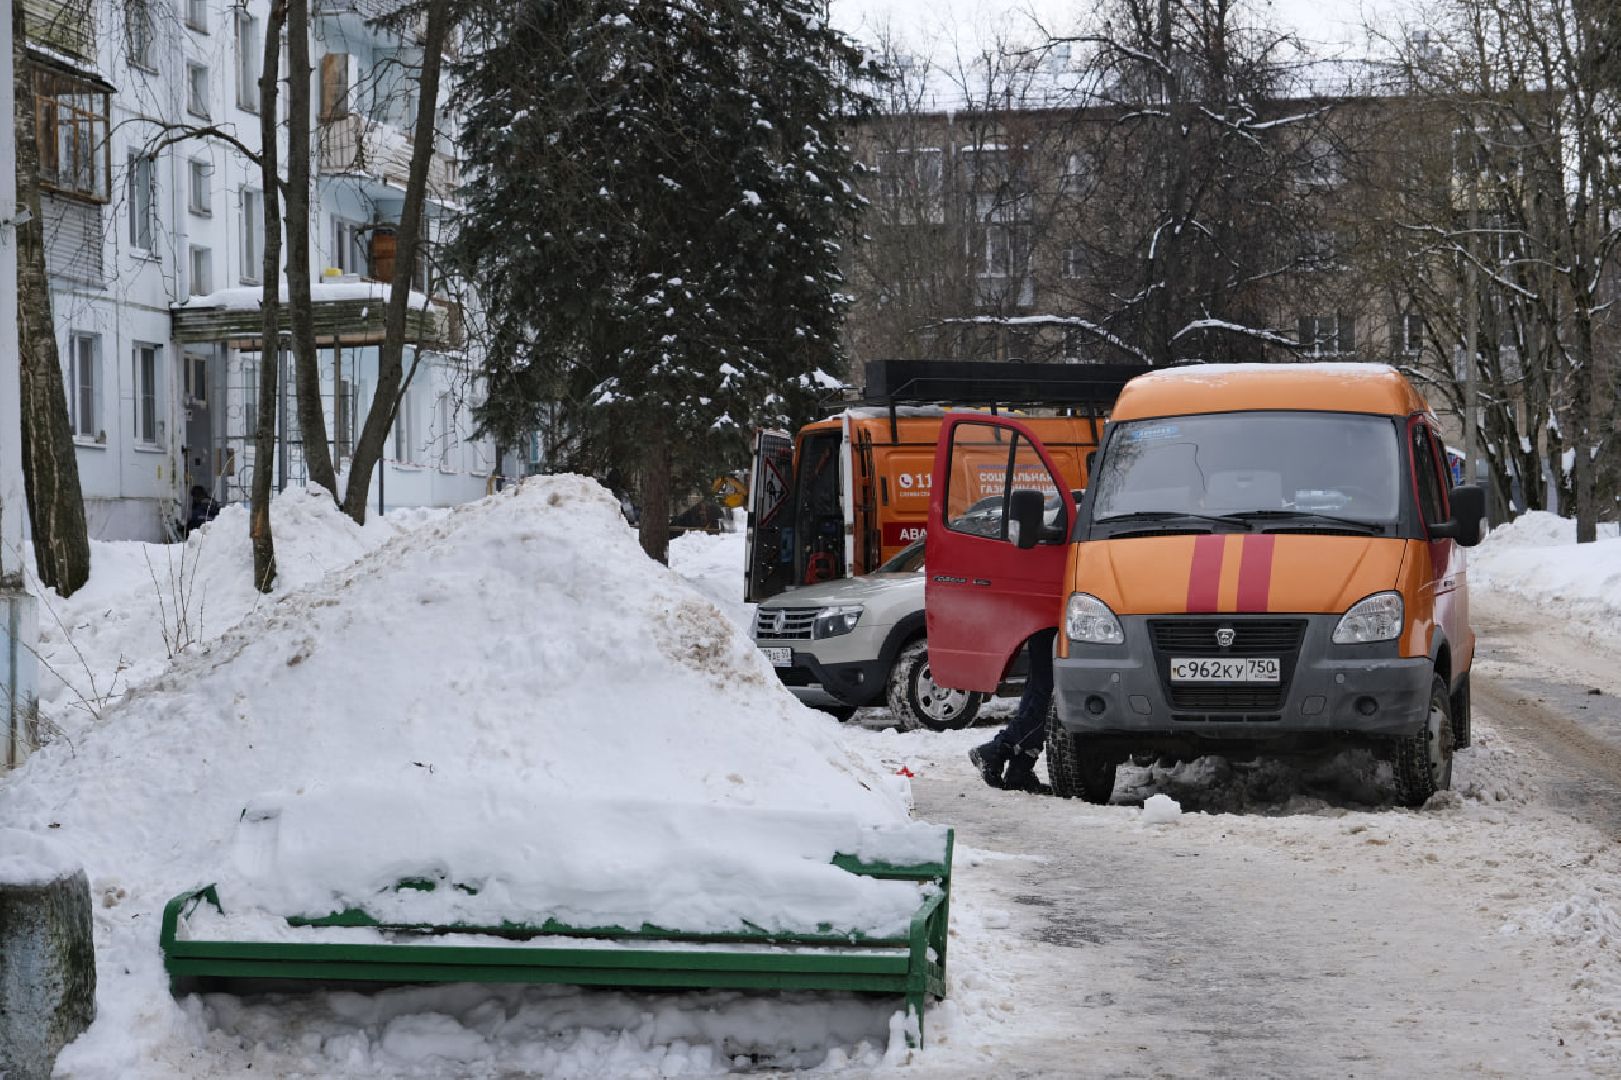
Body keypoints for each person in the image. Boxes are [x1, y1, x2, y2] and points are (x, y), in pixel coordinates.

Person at [969, 627, 1058, 794]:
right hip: (1054, 622)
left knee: (1038, 691)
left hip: (1045, 622)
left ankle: (1020, 769)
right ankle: (996, 749)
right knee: (1048, 701)